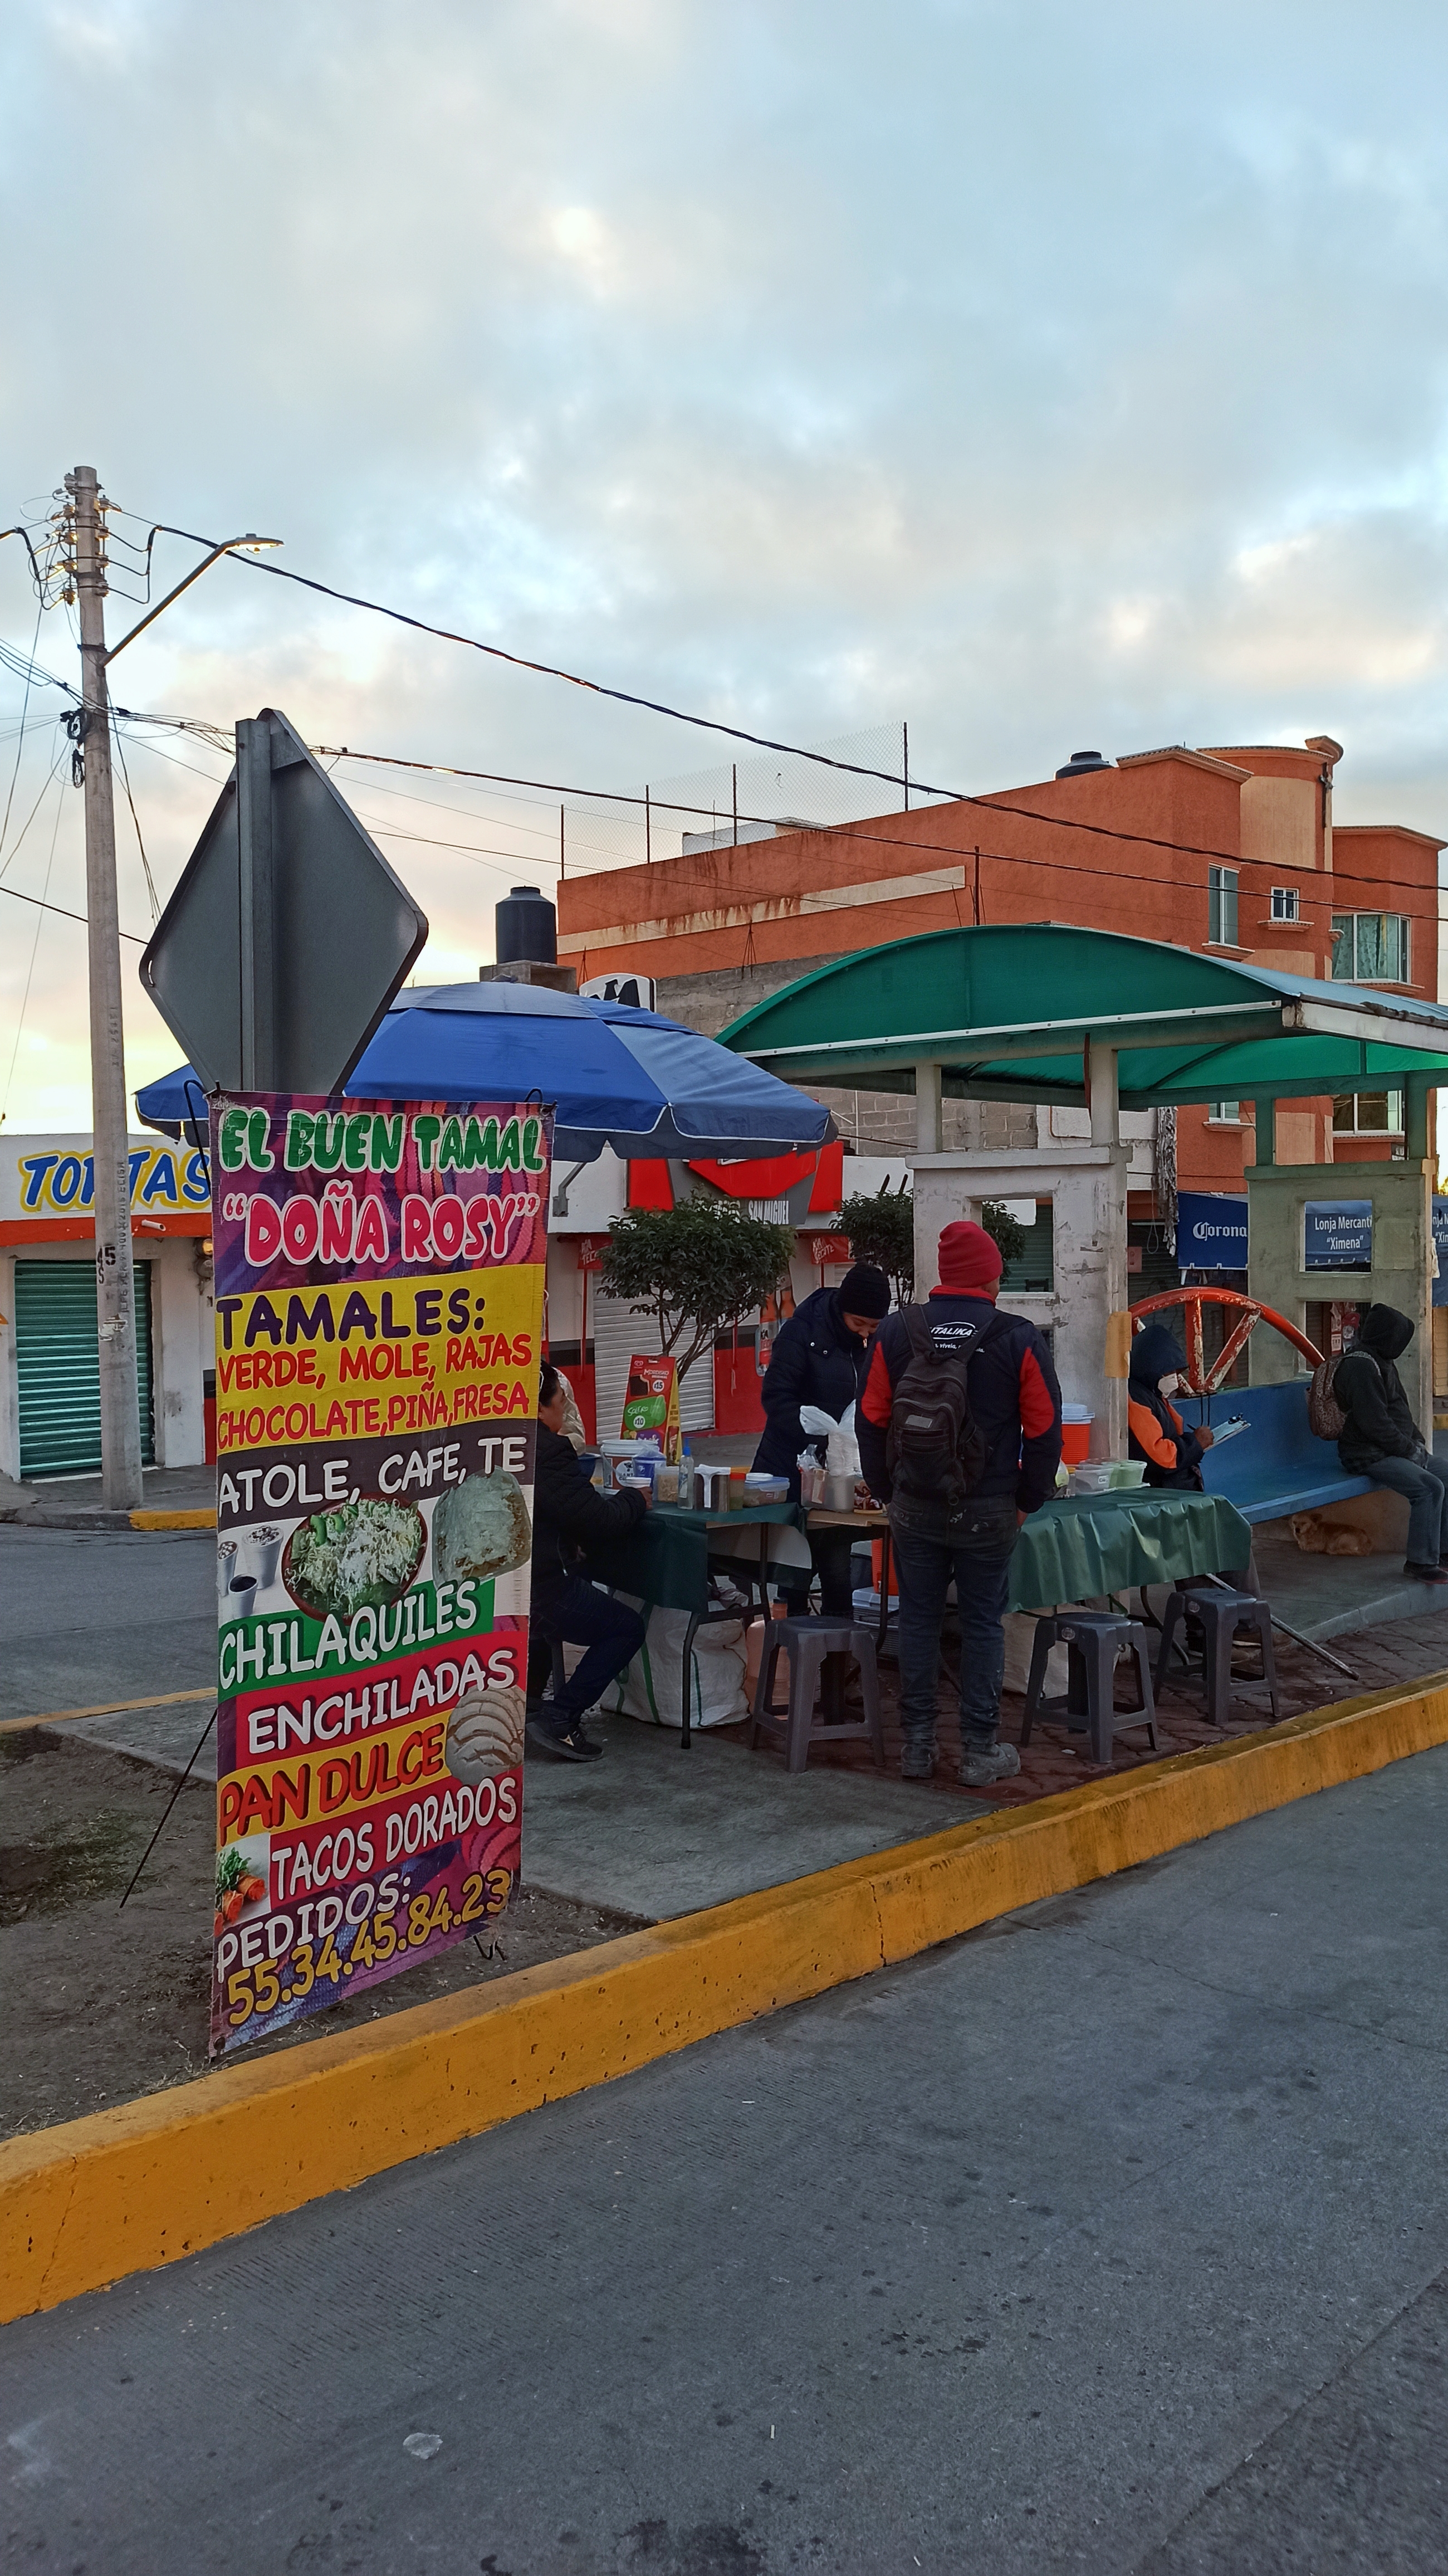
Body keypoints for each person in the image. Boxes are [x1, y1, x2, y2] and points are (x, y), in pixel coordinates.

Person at [858, 1219, 1061, 1787]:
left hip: (914, 1504)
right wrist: (1027, 1499)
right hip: (988, 1505)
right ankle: (977, 1750)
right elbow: (1044, 1429)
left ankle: (916, 1749)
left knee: (918, 1619)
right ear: (992, 1276)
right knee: (980, 1622)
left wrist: (887, 1490)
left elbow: (871, 1419)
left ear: (946, 1275)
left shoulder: (897, 1332)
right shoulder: (1016, 1336)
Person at [753, 1262, 892, 1618]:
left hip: (845, 1472)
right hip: (795, 1466)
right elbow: (776, 1398)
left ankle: (836, 1660)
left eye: (873, 1327)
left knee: (836, 1566)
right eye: (858, 1324)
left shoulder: (877, 1342)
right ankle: (795, 1657)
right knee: (800, 1567)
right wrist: (813, 1433)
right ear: (841, 1309)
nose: (865, 1334)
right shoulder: (801, 1333)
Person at [526, 1363, 649, 1759]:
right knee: (626, 1627)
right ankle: (560, 1717)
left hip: (504, 1582)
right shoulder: (546, 1451)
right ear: (541, 1409)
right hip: (540, 1583)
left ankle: (526, 1708)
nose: (564, 1413)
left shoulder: (489, 1440)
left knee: (540, 1629)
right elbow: (599, 1521)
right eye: (561, 1404)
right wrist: (636, 1498)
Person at [1334, 1305, 1448, 1583]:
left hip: (1395, 1449)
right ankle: (1420, 1562)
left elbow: (1400, 1410)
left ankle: (1443, 1552)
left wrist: (1417, 1442)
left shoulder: (1382, 1358)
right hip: (1368, 1454)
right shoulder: (1361, 1365)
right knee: (1429, 1488)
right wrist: (1410, 1451)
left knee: (1446, 1474)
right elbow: (1375, 1424)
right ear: (1386, 1336)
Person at [1127, 1323, 1216, 1489]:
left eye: (1176, 1372)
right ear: (1152, 1369)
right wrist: (1195, 1443)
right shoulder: (1137, 1398)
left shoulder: (1152, 1392)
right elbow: (1157, 1457)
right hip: (1163, 1494)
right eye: (1169, 1373)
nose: (1174, 1378)